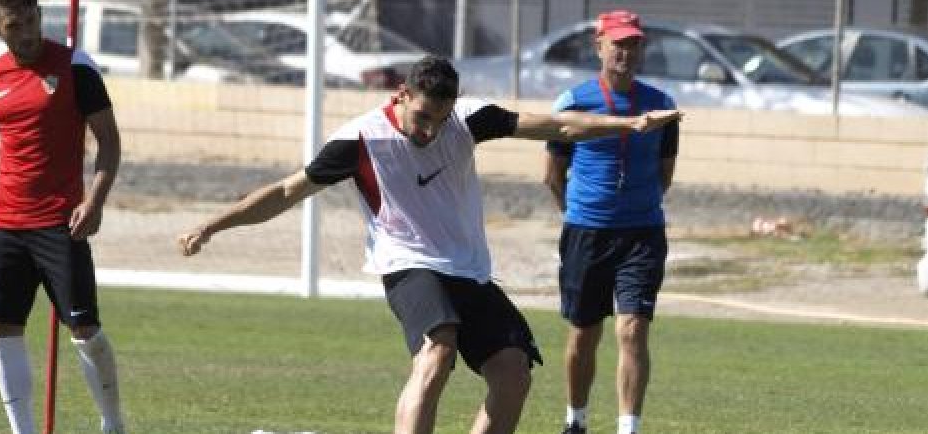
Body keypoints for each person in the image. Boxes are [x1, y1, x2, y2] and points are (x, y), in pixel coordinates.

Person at [177, 55, 681, 434]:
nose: (429, 130)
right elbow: (285, 191)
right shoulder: (361, 139)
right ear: (401, 94)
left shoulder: (467, 118)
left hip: (468, 269)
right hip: (407, 262)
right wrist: (214, 225)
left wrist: (627, 124)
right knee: (438, 348)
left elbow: (560, 124)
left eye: (439, 120)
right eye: (422, 117)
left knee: (512, 372)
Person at [0, 0, 127, 434]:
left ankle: (112, 423)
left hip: (60, 223)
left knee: (85, 331)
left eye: (32, 22)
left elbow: (109, 140)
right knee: (2, 329)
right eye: (15, 26)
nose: (26, 33)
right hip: (7, 225)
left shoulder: (76, 67)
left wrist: (95, 201)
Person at [544, 10, 680, 434]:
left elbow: (665, 174)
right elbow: (552, 175)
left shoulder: (662, 106)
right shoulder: (573, 102)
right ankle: (576, 421)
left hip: (642, 233)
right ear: (598, 44)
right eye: (618, 43)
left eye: (633, 44)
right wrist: (583, 211)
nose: (626, 51)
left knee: (633, 328)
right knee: (584, 333)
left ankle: (628, 427)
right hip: (587, 232)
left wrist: (635, 206)